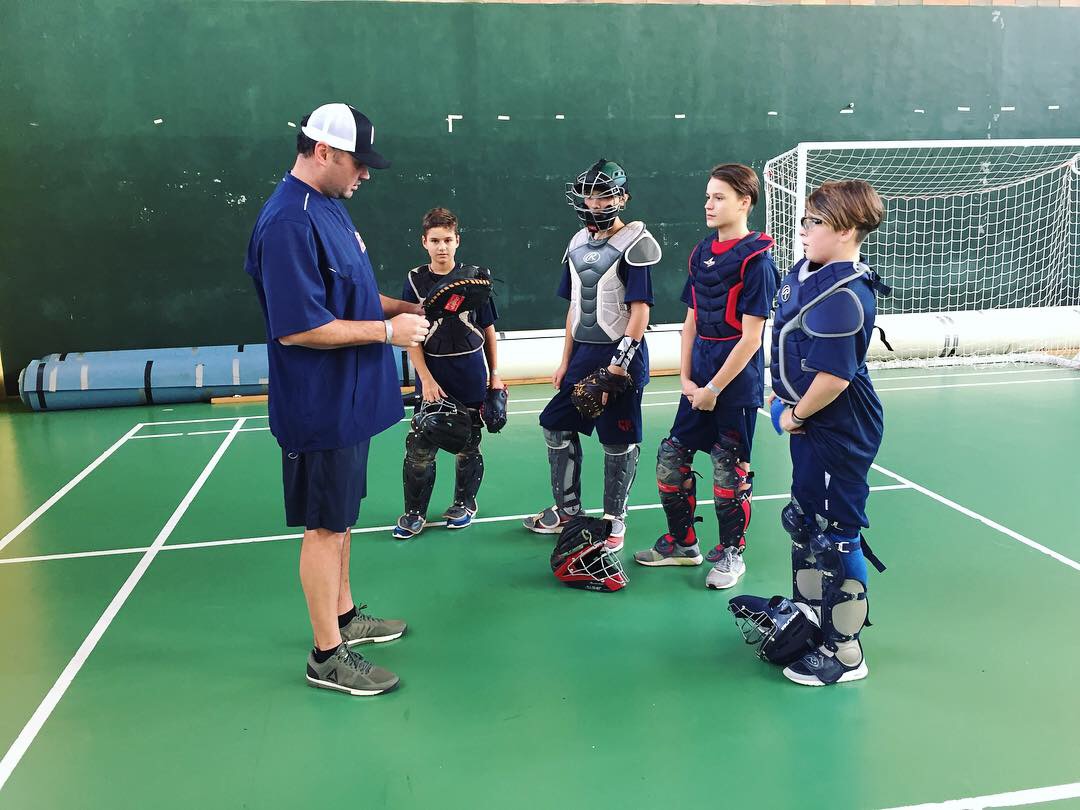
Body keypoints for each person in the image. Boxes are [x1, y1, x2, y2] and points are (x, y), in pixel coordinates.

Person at [245, 102, 429, 696]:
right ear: (323, 151)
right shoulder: (288, 222)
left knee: (342, 517)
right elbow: (299, 327)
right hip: (318, 404)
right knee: (325, 526)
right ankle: (326, 654)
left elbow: (349, 294)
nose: (366, 173)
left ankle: (346, 616)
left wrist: (404, 308)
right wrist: (388, 332)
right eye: (358, 161)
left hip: (350, 399)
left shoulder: (328, 207)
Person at [633, 164, 777, 590]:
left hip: (736, 383)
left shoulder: (758, 262)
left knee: (729, 468)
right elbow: (691, 321)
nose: (709, 205)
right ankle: (683, 544)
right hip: (698, 377)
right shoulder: (701, 253)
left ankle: (732, 554)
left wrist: (715, 388)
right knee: (671, 457)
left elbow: (751, 338)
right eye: (707, 197)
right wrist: (686, 379)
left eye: (719, 197)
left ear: (744, 202)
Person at [770, 179, 890, 686]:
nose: (803, 230)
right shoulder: (806, 274)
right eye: (805, 219)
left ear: (846, 229)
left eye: (814, 222)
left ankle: (845, 652)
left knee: (835, 536)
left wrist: (794, 415)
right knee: (804, 520)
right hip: (811, 418)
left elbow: (835, 378)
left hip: (839, 425)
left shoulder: (846, 296)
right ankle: (810, 620)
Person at [523, 158, 660, 552]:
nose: (595, 203)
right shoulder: (576, 244)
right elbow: (574, 308)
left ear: (623, 198)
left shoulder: (635, 243)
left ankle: (615, 520)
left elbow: (640, 311)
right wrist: (565, 361)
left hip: (621, 359)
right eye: (589, 196)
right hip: (583, 355)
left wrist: (618, 367)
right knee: (555, 425)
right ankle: (568, 512)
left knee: (617, 441)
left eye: (604, 196)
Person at [392, 207, 504, 538]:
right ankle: (414, 513)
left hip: (470, 373)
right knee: (420, 446)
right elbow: (412, 335)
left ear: (457, 241)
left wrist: (495, 375)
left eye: (447, 240)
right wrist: (425, 379)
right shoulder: (414, 281)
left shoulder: (475, 279)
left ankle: (464, 504)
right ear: (424, 242)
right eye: (435, 240)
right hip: (433, 375)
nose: (442, 247)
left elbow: (489, 329)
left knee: (468, 442)